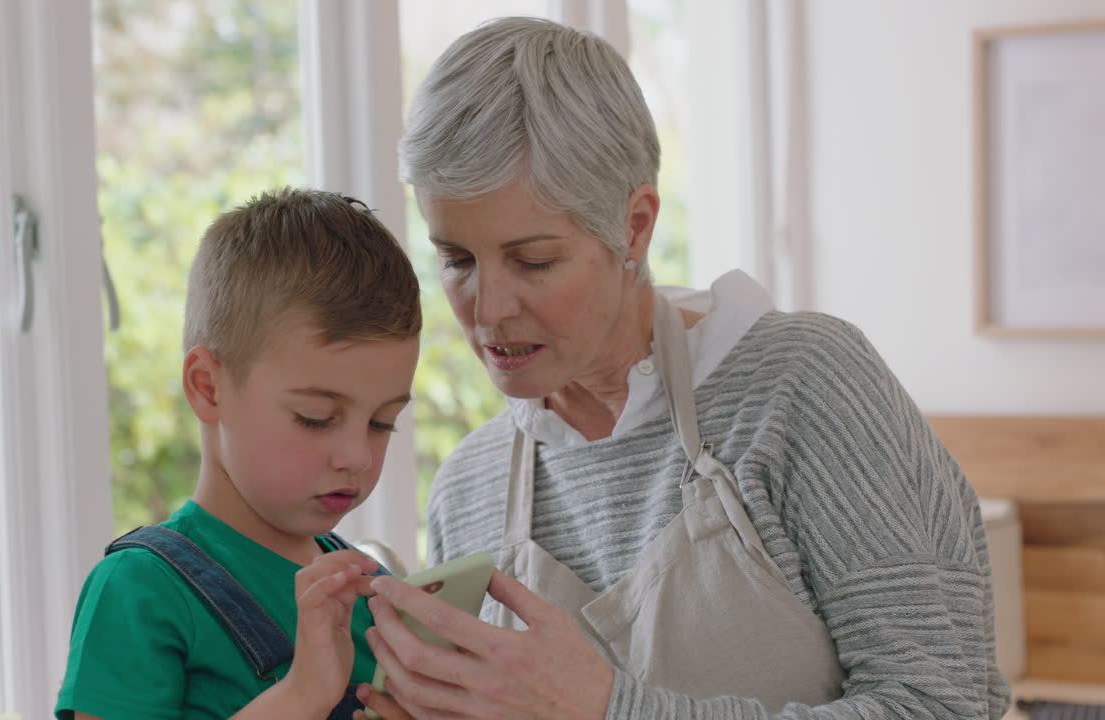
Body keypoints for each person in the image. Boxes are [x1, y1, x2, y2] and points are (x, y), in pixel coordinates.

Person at [362, 16, 1009, 720]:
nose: (485, 308)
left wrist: (616, 710)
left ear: (635, 225)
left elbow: (940, 705)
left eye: (533, 260)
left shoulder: (803, 388)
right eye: (456, 259)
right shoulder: (469, 490)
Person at [55, 189, 418, 720]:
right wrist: (301, 696)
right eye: (315, 417)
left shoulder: (375, 598)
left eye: (383, 422)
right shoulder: (140, 593)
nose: (357, 456)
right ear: (208, 388)